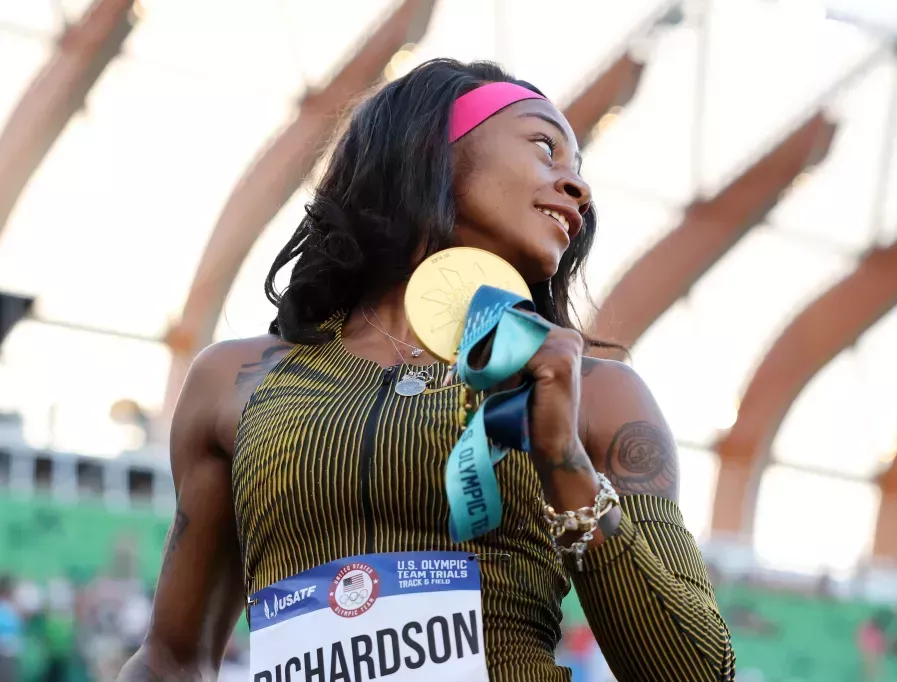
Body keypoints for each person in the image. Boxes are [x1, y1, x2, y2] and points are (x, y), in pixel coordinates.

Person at [117, 58, 734, 681]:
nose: (578, 189)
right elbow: (171, 658)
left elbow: (700, 674)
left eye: (579, 172)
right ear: (429, 149)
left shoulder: (599, 395)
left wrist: (563, 459)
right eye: (545, 147)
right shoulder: (235, 379)